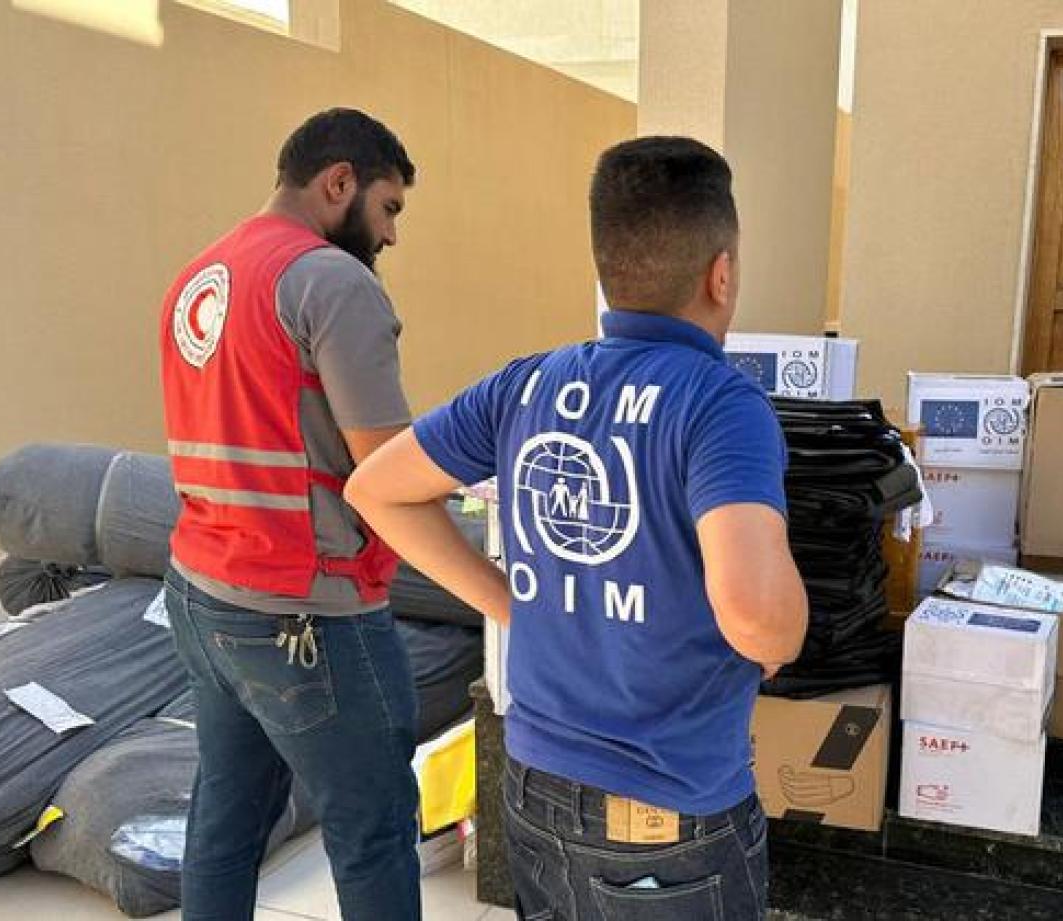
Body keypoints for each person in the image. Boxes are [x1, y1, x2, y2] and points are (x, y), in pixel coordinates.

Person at [346, 136, 809, 920]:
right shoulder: (720, 404)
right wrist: (781, 634)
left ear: (607, 269)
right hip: (666, 816)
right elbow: (758, 615)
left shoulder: (526, 383)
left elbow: (377, 489)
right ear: (722, 274)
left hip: (534, 787)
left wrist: (508, 602)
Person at [158, 108, 424, 921]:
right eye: (388, 207)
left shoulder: (201, 274)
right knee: (375, 830)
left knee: (226, 819)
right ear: (339, 181)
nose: (390, 234)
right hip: (308, 612)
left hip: (203, 590)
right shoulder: (332, 280)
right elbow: (386, 471)